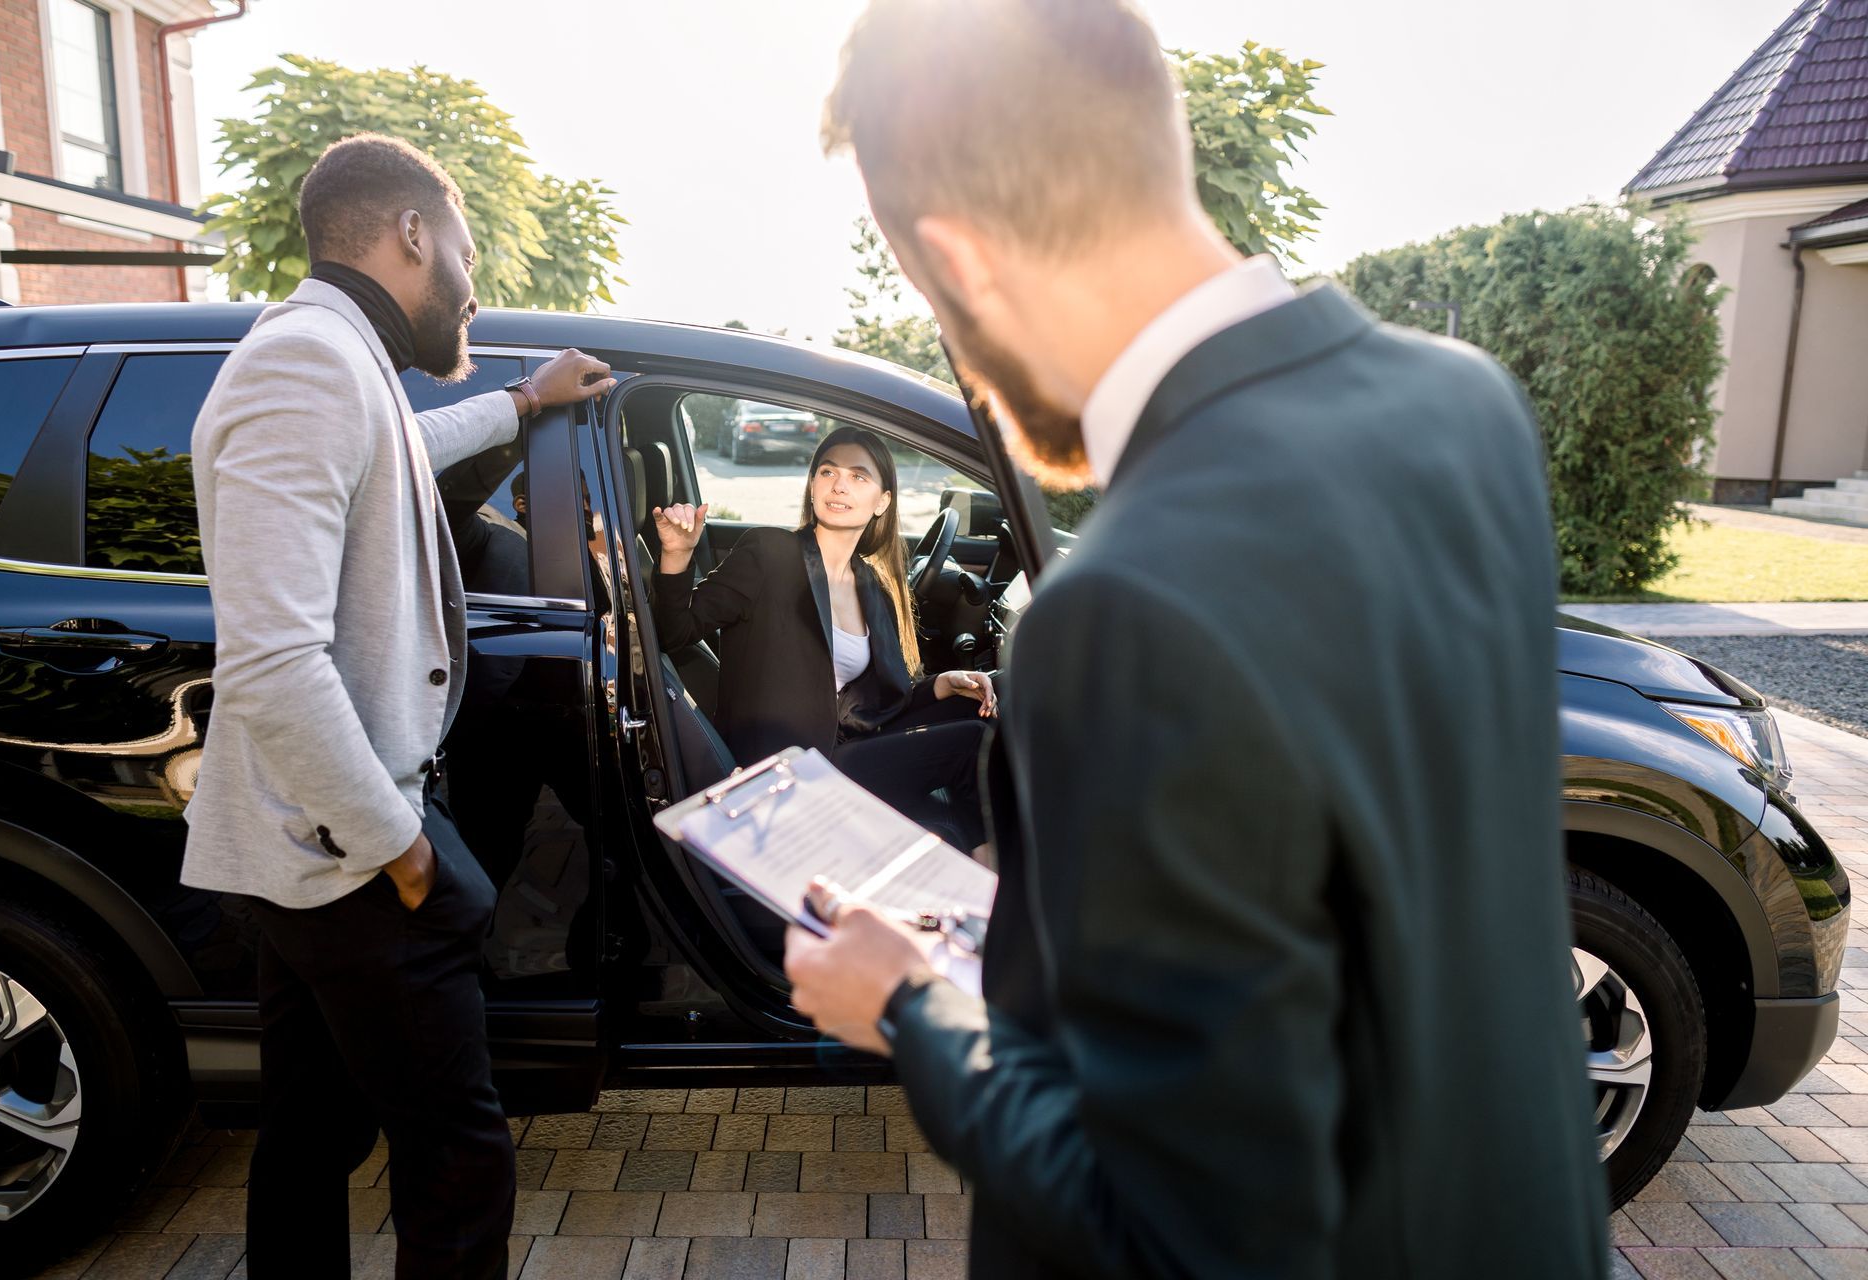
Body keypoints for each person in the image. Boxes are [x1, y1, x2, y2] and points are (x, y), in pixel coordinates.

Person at [782, 2, 1610, 1276]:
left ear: (964, 257)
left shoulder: (1122, 607)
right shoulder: (1466, 406)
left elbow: (1180, 1236)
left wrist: (912, 1008)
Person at [181, 133, 614, 1279]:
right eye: (465, 250)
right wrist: (407, 849)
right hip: (350, 853)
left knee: (310, 1135)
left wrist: (521, 401)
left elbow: (396, 454)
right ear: (414, 234)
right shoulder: (308, 363)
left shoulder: (330, 358)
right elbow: (271, 661)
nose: (473, 284)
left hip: (311, 848)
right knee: (456, 1154)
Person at [651, 424, 995, 849]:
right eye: (827, 472)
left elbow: (873, 701)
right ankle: (991, 875)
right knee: (973, 744)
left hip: (843, 747)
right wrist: (676, 555)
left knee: (978, 709)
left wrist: (942, 685)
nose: (839, 485)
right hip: (791, 772)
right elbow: (673, 632)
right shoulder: (769, 554)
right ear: (812, 485)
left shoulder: (871, 584)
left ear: (882, 502)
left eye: (858, 476)